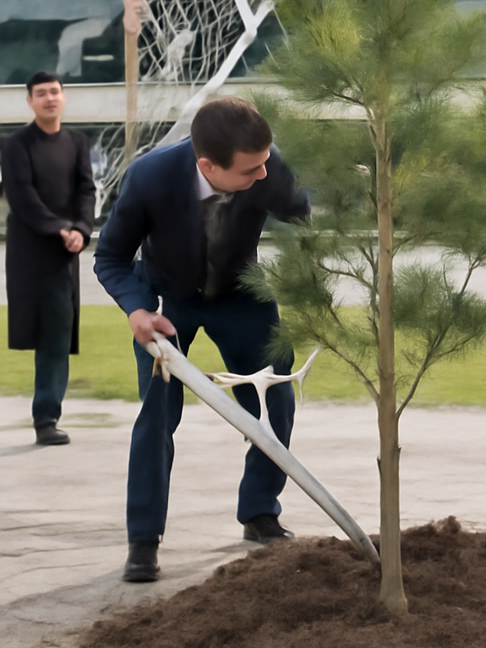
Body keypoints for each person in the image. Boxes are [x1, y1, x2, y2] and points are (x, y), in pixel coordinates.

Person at [94, 96, 310, 583]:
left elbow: (302, 217)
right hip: (168, 302)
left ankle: (259, 512)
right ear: (207, 165)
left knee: (275, 399)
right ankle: (144, 540)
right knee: (157, 414)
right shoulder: (150, 177)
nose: (263, 175)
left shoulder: (265, 163)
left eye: (265, 164)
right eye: (250, 171)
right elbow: (109, 257)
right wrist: (137, 310)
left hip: (241, 294)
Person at [2, 71, 95, 446]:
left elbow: (86, 190)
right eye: (41, 93)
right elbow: (21, 197)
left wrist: (83, 229)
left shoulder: (76, 142)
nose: (49, 98)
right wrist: (61, 228)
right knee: (42, 332)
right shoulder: (15, 145)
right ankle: (44, 414)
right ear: (29, 101)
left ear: (63, 97)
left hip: (65, 254)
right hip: (30, 252)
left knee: (57, 335)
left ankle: (46, 419)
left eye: (55, 92)